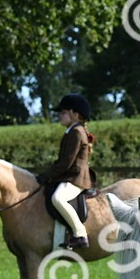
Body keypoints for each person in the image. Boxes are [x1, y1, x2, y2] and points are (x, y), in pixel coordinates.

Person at [37, 93, 94, 249]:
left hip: (76, 178)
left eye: (63, 112)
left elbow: (66, 163)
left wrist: (46, 176)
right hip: (70, 175)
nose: (60, 116)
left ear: (75, 114)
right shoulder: (72, 130)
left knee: (58, 199)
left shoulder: (76, 132)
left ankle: (80, 234)